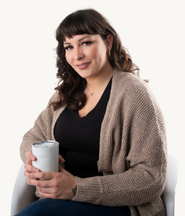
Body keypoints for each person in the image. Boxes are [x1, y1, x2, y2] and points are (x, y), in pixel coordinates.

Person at [17, 9, 167, 216]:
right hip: (58, 201)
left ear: (108, 42)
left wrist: (77, 187)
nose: (77, 55)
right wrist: (34, 158)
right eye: (69, 47)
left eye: (85, 43)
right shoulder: (67, 92)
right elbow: (32, 137)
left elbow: (151, 178)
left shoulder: (134, 94)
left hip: (116, 206)